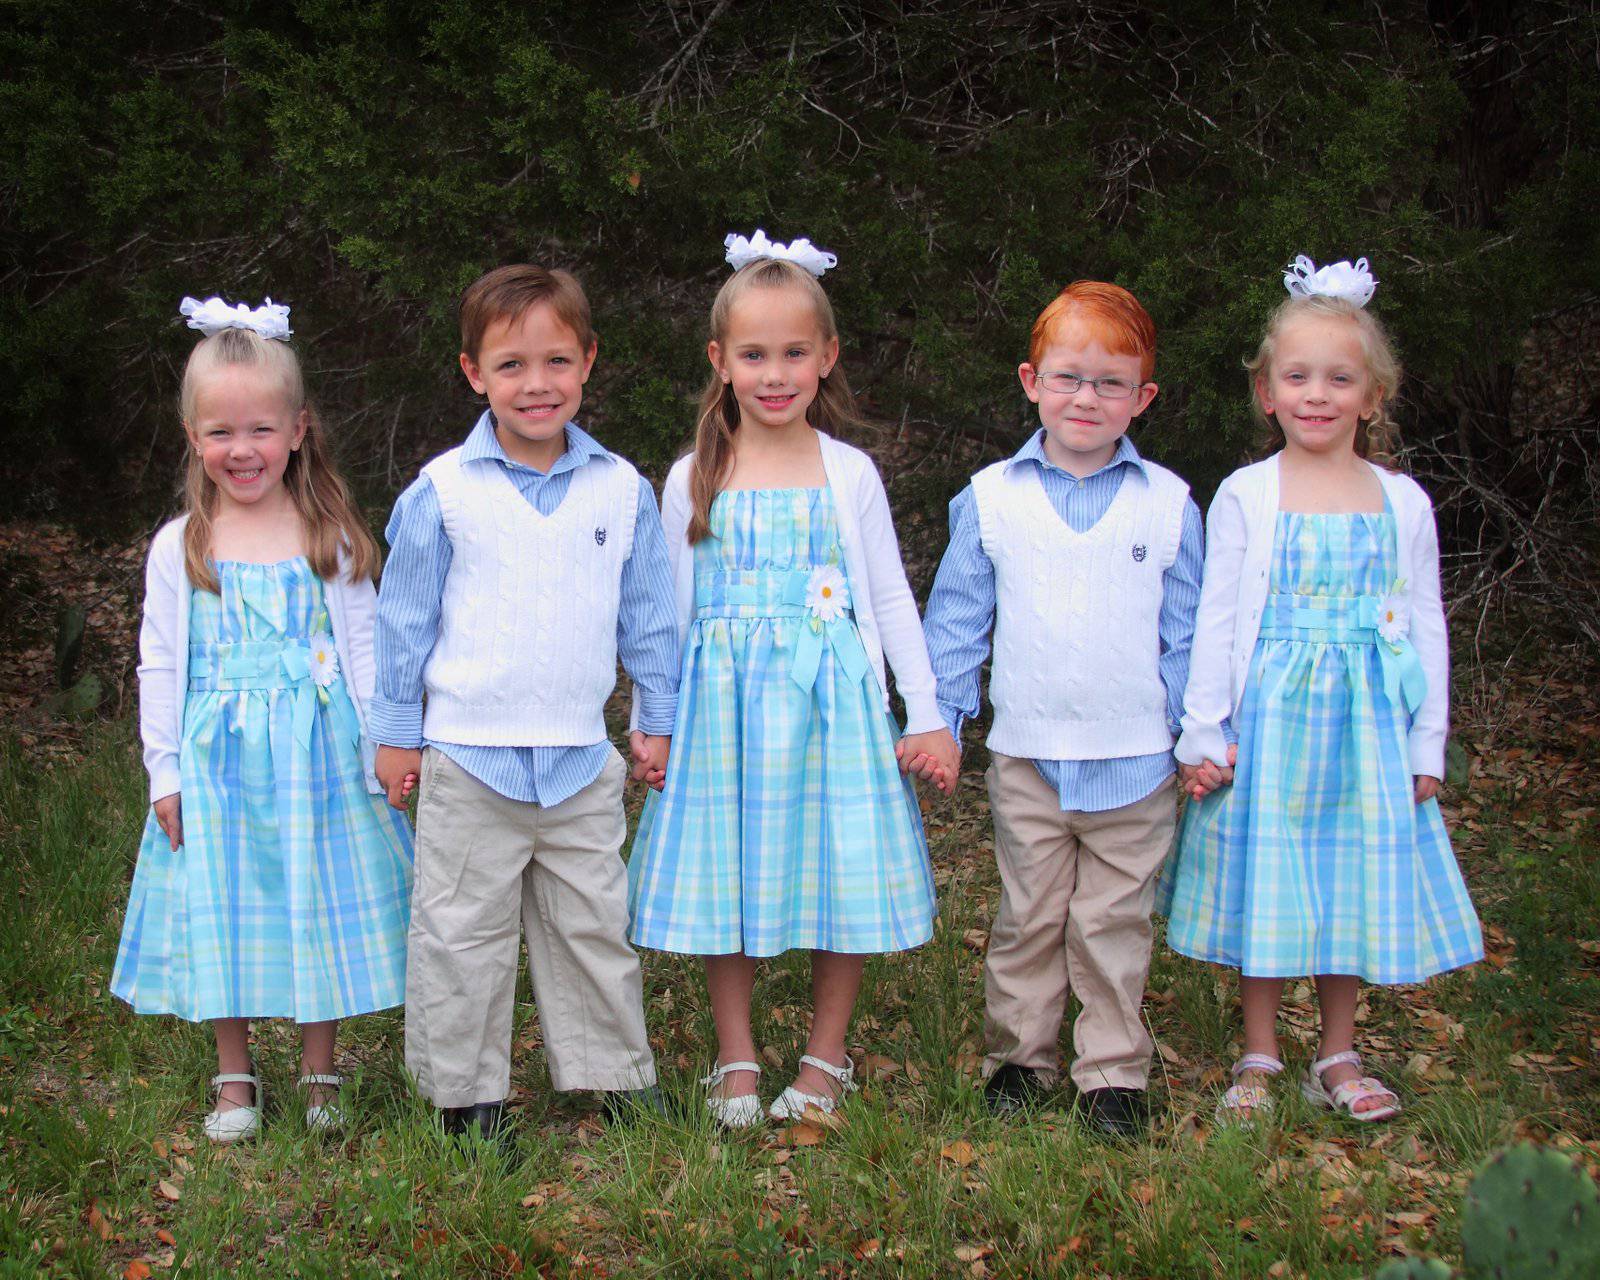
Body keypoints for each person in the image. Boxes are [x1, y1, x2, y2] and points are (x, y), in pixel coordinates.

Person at [627, 231, 959, 1128]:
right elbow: (666, 615)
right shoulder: (694, 476)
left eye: (794, 354)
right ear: (719, 361)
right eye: (753, 355)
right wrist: (655, 719)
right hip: (723, 714)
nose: (774, 375)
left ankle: (824, 1056)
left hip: (830, 706)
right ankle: (735, 1055)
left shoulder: (848, 473)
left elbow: (887, 598)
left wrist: (925, 712)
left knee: (837, 866)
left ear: (828, 357)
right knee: (725, 868)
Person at [1163, 256, 1482, 1122]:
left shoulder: (1402, 501)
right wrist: (1205, 729)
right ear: (1266, 392)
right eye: (1297, 376)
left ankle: (1337, 1053)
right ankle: (1260, 1053)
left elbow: (1425, 624)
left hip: (1366, 726)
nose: (1317, 395)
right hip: (1271, 721)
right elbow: (1218, 619)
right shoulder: (1247, 493)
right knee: (1272, 879)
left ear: (1373, 396)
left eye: (1340, 379)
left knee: (1349, 880)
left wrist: (1425, 740)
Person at [371, 264, 677, 1147]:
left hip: (579, 760)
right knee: (461, 932)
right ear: (474, 373)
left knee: (593, 927)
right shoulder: (443, 492)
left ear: (588, 362)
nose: (536, 384)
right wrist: (397, 736)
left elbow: (650, 618)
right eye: (510, 365)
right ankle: (465, 1099)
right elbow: (403, 623)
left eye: (555, 362)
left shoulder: (620, 489)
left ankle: (614, 1077)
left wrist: (655, 718)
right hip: (469, 759)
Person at [112, 296, 414, 1143]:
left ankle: (320, 1070)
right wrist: (164, 770)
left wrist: (382, 746)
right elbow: (160, 663)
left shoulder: (329, 537)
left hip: (318, 758)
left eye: (260, 430)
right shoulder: (182, 545)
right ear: (192, 437)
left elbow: (366, 651)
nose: (241, 450)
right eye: (221, 432)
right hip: (219, 765)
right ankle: (235, 1075)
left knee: (315, 900)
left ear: (298, 430)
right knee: (227, 904)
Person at [921, 280, 1202, 1138]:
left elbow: (1187, 635)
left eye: (1111, 384)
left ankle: (1112, 1075)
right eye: (1069, 378)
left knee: (1114, 923)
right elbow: (958, 621)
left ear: (1143, 398)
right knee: (1030, 916)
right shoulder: (992, 497)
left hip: (1137, 762)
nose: (1087, 398)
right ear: (1031, 381)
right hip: (1029, 758)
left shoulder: (1168, 503)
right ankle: (1019, 1059)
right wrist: (942, 722)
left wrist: (1200, 733)